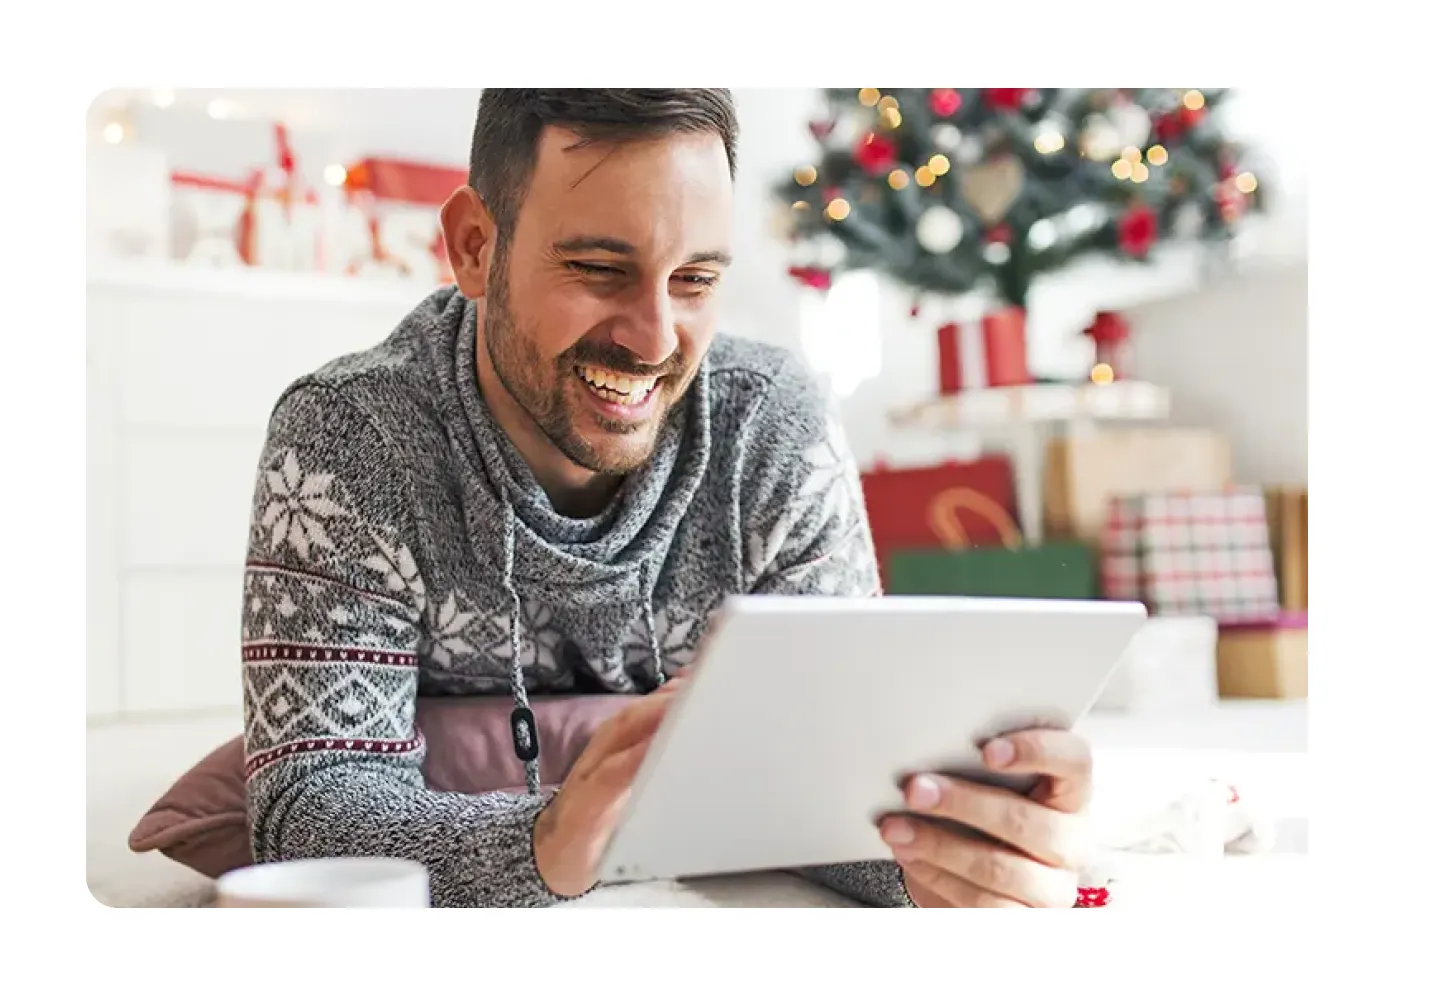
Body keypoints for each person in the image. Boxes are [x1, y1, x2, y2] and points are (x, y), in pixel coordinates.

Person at [239, 88, 1094, 908]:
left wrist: (941, 857)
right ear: (473, 246)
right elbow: (309, 811)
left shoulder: (771, 425)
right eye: (598, 267)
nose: (654, 339)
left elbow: (835, 783)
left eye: (695, 280)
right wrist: (545, 839)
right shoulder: (352, 435)